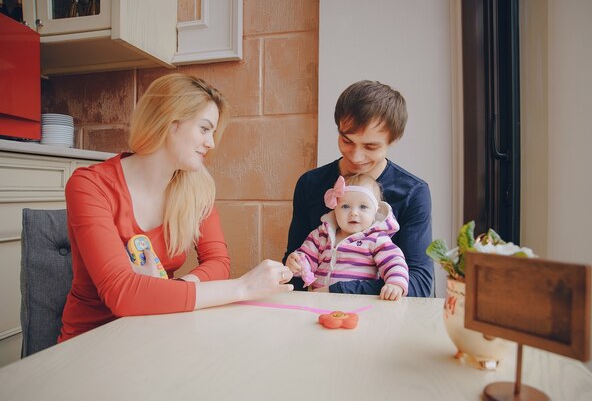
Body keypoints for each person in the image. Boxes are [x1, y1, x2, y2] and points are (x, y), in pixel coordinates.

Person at [59, 73, 293, 342]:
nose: (211, 143)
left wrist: (173, 288)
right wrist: (243, 287)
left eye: (213, 132)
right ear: (169, 122)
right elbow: (122, 294)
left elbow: (218, 261)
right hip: (91, 343)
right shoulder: (89, 185)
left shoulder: (197, 187)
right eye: (204, 129)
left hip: (158, 332)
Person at [283, 80, 434, 297]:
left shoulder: (413, 192)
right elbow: (294, 264)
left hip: (380, 317)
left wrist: (336, 291)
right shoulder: (310, 184)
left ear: (394, 139)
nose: (355, 156)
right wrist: (294, 268)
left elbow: (419, 284)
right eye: (347, 140)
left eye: (371, 146)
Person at [286, 174, 409, 300]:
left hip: (358, 302)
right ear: (335, 209)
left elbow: (394, 262)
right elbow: (306, 259)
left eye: (363, 207)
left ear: (375, 211)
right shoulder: (321, 235)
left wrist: (395, 284)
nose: (354, 213)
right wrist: (297, 263)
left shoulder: (376, 239)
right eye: (345, 206)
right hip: (320, 301)